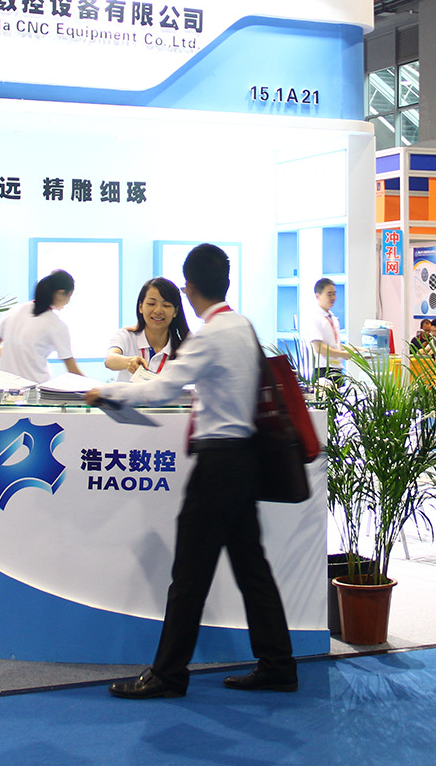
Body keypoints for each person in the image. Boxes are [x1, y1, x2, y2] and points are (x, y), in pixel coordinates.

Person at [85, 244, 296, 699]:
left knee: (189, 575)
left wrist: (107, 394)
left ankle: (168, 674)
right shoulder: (242, 326)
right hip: (244, 460)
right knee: (252, 569)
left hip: (217, 465)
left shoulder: (209, 335)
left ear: (189, 288)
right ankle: (278, 664)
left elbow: (161, 389)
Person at [0, 269, 85, 384]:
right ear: (60, 293)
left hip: (7, 388)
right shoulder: (56, 325)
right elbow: (73, 371)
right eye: (70, 296)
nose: (68, 301)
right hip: (37, 389)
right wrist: (97, 388)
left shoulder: (13, 311)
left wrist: (15, 356)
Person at [104, 277, 190, 382]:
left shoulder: (184, 349)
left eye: (166, 305)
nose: (158, 311)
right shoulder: (126, 336)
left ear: (175, 311)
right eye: (151, 304)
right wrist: (130, 361)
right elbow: (110, 360)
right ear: (140, 307)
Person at [301, 277, 350, 372]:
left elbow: (336, 345)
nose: (333, 298)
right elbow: (319, 348)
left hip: (337, 369)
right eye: (329, 294)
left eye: (334, 294)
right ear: (318, 296)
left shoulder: (332, 317)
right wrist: (343, 354)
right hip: (323, 370)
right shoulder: (314, 317)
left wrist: (359, 351)